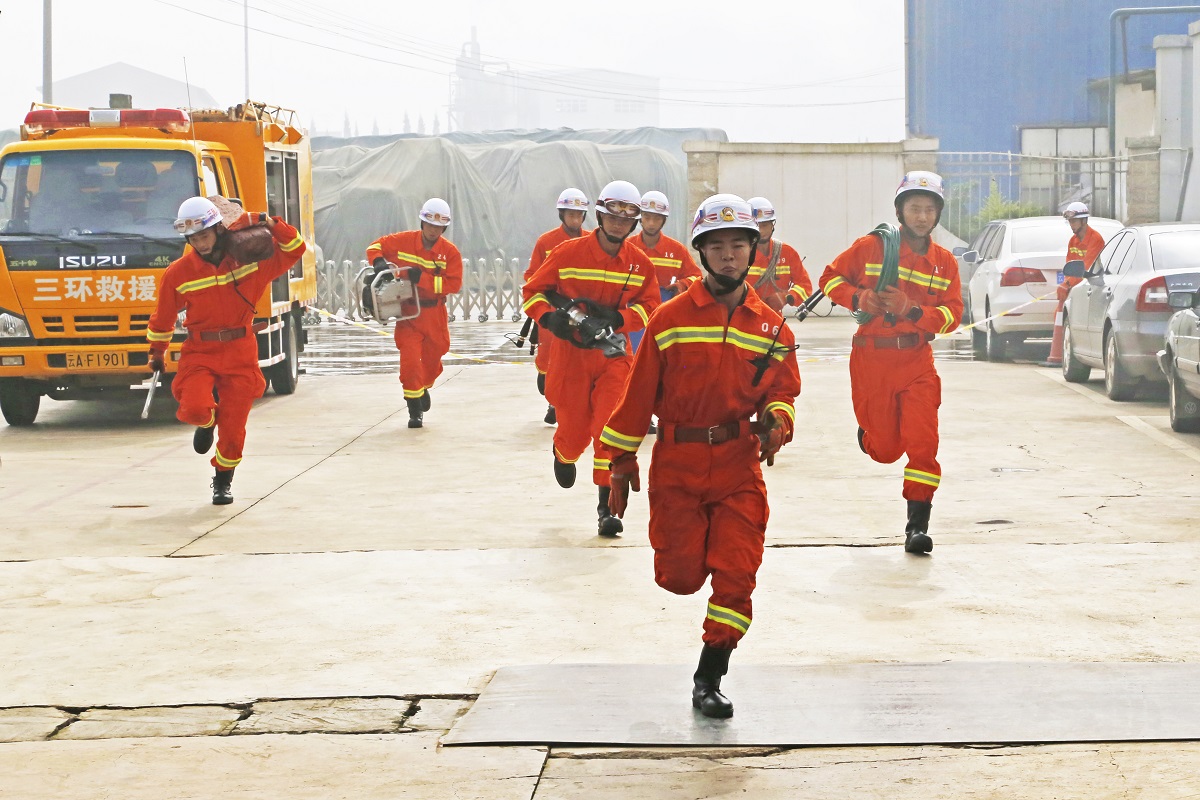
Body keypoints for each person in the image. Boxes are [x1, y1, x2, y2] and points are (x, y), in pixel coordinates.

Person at [600, 194, 801, 718]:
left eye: (738, 245)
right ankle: (696, 564)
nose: (729, 255)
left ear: (753, 250)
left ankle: (710, 675)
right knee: (680, 577)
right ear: (702, 252)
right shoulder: (669, 320)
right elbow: (638, 394)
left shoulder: (773, 329)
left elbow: (782, 390)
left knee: (738, 572)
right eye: (717, 246)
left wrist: (777, 421)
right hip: (678, 466)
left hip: (738, 467)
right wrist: (619, 460)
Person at [819, 171, 962, 554]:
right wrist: (859, 298)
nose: (922, 217)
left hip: (917, 361)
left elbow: (952, 316)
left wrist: (912, 310)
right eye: (914, 208)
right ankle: (870, 437)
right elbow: (829, 278)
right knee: (886, 450)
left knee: (923, 444)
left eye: (929, 209)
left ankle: (917, 528)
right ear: (900, 211)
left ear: (937, 214)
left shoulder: (944, 263)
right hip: (872, 359)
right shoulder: (872, 247)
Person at [521, 180, 661, 537]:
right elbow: (533, 291)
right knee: (574, 430)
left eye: (626, 218)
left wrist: (618, 318)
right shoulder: (567, 254)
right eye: (613, 216)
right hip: (571, 356)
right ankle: (564, 453)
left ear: (634, 222)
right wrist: (549, 319)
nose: (619, 223)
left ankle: (606, 510)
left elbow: (650, 306)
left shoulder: (640, 264)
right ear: (599, 216)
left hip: (614, 355)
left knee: (608, 428)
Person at [146, 196, 306, 505]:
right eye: (193, 239)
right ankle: (207, 423)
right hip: (200, 351)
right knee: (194, 407)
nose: (200, 244)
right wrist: (157, 352)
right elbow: (163, 316)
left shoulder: (251, 261)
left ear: (219, 229)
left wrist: (269, 222)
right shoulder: (179, 273)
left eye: (204, 235)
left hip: (240, 352)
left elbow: (295, 248)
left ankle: (222, 480)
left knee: (233, 432)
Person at [366, 198, 463, 429]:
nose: (433, 230)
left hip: (434, 314)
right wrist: (379, 262)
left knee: (433, 359)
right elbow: (374, 247)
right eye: (429, 225)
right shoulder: (403, 241)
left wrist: (423, 279)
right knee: (409, 363)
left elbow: (453, 284)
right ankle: (414, 410)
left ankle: (423, 387)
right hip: (408, 313)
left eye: (438, 227)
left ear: (444, 228)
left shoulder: (449, 253)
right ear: (422, 223)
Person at [526, 188, 590, 425]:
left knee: (576, 360)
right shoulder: (546, 242)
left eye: (579, 214)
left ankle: (559, 404)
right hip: (554, 311)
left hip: (582, 311)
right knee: (548, 359)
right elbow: (532, 276)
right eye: (570, 214)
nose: (575, 219)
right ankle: (552, 396)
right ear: (561, 214)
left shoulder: (591, 241)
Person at [627, 190, 701, 353]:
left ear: (664, 220)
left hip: (666, 317)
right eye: (647, 217)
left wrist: (681, 285)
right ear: (640, 217)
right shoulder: (628, 248)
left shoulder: (677, 250)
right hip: (634, 318)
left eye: (657, 218)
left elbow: (697, 277)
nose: (651, 223)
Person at [746, 196, 813, 312]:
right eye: (756, 226)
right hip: (745, 315)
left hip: (774, 318)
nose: (761, 231)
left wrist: (787, 297)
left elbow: (805, 285)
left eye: (765, 225)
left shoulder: (787, 253)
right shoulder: (739, 254)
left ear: (772, 225)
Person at [1059, 201, 1106, 301]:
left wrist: (1068, 284)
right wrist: (1066, 284)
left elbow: (1085, 269)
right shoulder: (1073, 241)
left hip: (1093, 288)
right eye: (1070, 221)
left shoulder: (1096, 239)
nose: (1071, 225)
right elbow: (1070, 268)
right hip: (1077, 288)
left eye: (1074, 221)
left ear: (1084, 220)